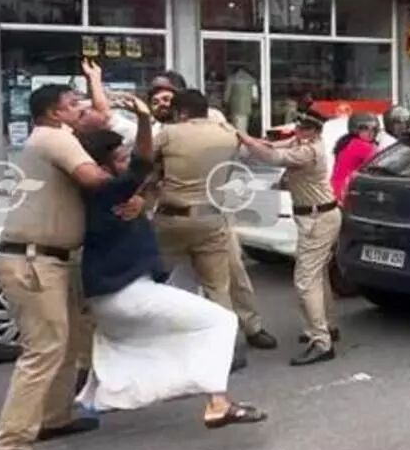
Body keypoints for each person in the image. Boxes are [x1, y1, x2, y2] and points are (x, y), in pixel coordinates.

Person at [72, 118, 267, 428]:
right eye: (120, 159)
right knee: (220, 321)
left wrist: (141, 198)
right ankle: (218, 402)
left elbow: (142, 175)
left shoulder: (108, 195)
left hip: (113, 294)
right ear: (104, 169)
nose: (127, 162)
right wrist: (144, 119)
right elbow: (142, 163)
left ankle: (93, 396)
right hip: (126, 294)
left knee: (140, 343)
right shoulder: (108, 192)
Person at [86, 68, 276, 352]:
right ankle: (197, 340)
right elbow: (126, 144)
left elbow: (149, 167)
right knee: (161, 277)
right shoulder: (144, 129)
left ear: (180, 104)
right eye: (157, 100)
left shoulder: (211, 120)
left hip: (206, 215)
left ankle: (250, 327)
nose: (163, 105)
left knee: (234, 274)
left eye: (167, 98)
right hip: (170, 213)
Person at [0, 84, 117, 450]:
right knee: (43, 350)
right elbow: (92, 178)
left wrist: (98, 93)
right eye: (72, 104)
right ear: (55, 113)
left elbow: (104, 117)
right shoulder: (57, 139)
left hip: (47, 259)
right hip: (33, 260)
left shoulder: (52, 136)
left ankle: (54, 417)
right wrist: (127, 181)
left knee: (71, 341)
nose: (81, 109)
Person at [239, 111, 340, 366]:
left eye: (304, 127)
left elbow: (273, 157)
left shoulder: (310, 151)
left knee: (305, 279)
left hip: (319, 218)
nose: (299, 129)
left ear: (315, 131)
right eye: (298, 125)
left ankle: (321, 341)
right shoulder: (301, 141)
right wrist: (249, 139)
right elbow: (272, 145)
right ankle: (326, 325)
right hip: (316, 216)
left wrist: (244, 139)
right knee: (317, 274)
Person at [152, 90, 241, 319]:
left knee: (158, 283)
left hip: (172, 220)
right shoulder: (228, 135)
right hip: (211, 218)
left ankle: (165, 340)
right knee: (218, 289)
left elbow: (143, 162)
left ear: (181, 112)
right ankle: (227, 347)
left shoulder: (169, 133)